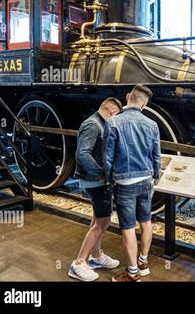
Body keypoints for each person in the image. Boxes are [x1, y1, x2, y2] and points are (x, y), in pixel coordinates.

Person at [103, 84, 161, 282]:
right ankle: (143, 263)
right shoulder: (152, 124)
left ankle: (132, 274)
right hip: (146, 180)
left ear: (128, 97)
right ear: (144, 105)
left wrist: (110, 180)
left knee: (128, 228)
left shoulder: (113, 123)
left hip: (125, 183)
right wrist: (155, 177)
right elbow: (156, 155)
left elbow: (108, 158)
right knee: (146, 222)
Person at [69, 97, 123, 281]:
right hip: (96, 181)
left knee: (97, 220)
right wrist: (100, 173)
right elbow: (82, 153)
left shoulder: (98, 123)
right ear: (111, 111)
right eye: (117, 115)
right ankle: (78, 263)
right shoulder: (92, 125)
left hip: (97, 180)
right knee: (103, 222)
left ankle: (97, 256)